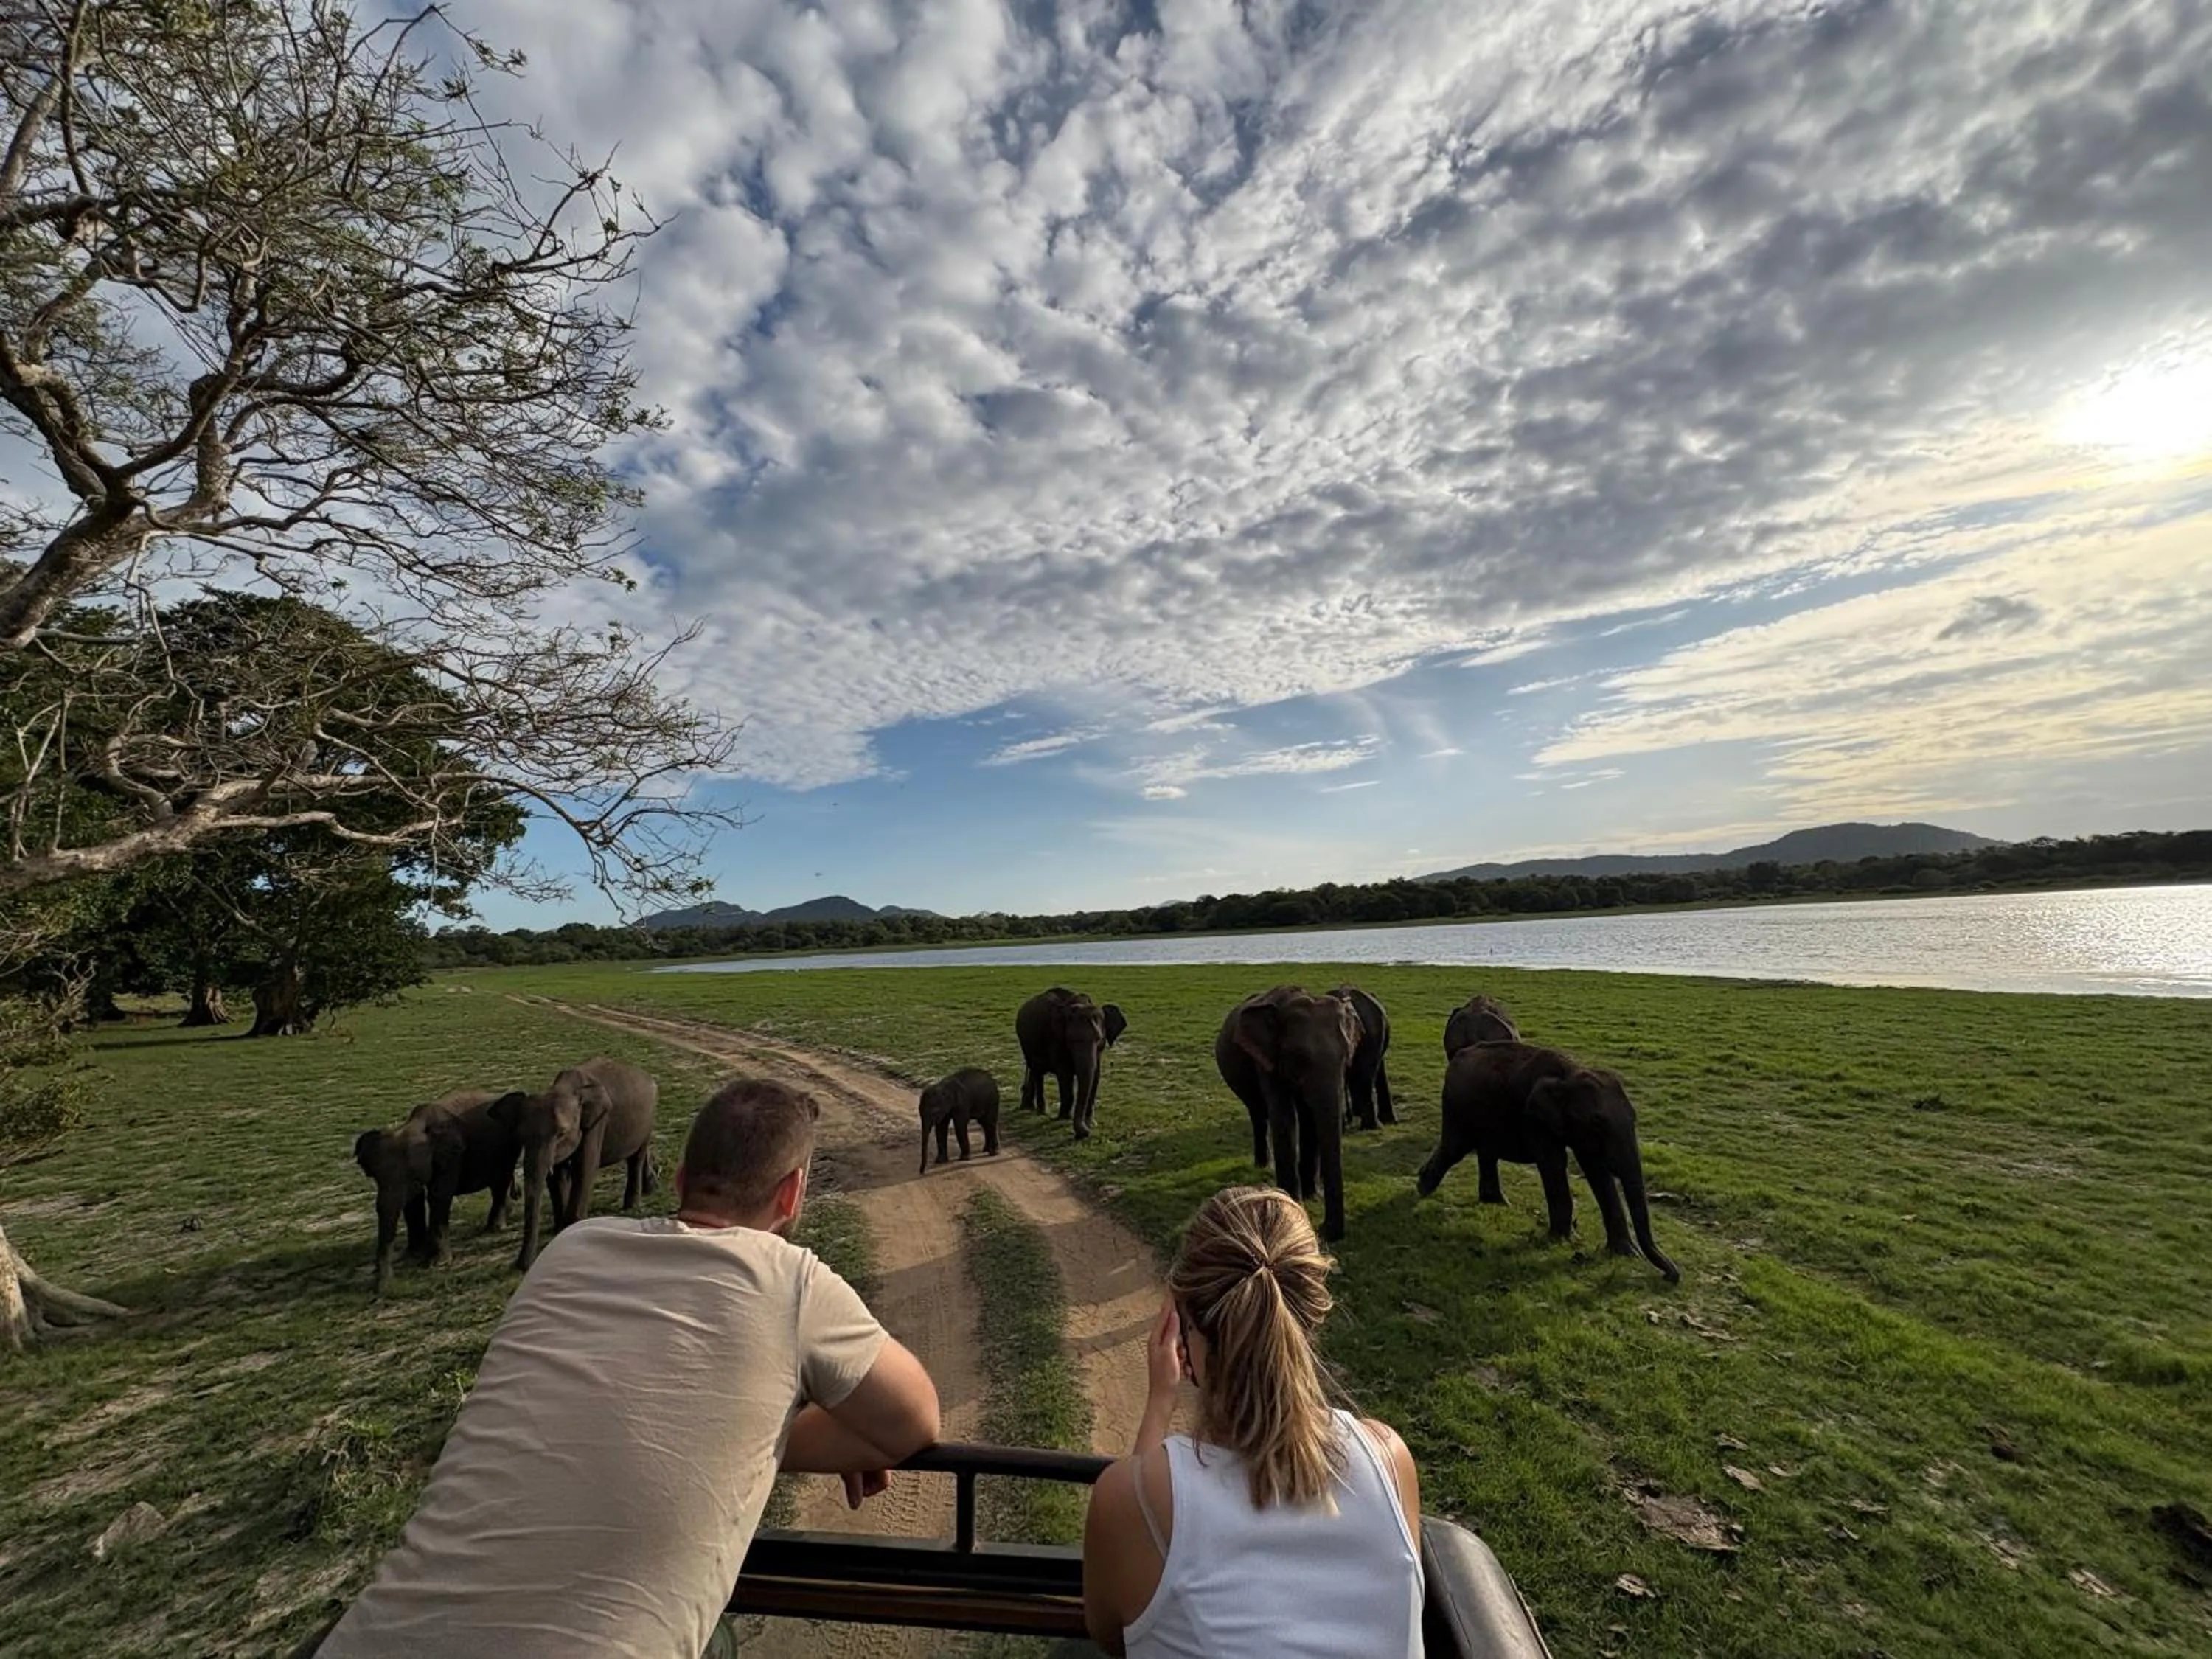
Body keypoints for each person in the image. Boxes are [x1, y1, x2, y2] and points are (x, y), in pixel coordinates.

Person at [310, 1077, 941, 1659]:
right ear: (793, 1193)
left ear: (681, 1179)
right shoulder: (793, 1283)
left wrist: (753, 1432)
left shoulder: (570, 1250)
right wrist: (790, 1432)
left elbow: (626, 1407)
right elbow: (914, 1421)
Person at [1082, 1186, 1424, 1658]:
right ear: (1310, 1319)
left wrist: (1160, 1402)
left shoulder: (1129, 1499)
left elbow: (1112, 1634)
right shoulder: (1389, 1460)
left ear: (1185, 1325)